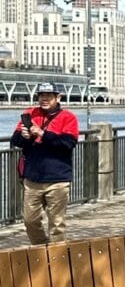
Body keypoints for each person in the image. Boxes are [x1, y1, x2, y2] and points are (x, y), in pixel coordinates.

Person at [11, 82, 79, 245]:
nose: (44, 99)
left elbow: (68, 143)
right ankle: (42, 249)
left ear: (58, 98)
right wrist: (25, 137)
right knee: (30, 220)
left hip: (58, 179)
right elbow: (15, 140)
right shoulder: (29, 114)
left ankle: (56, 257)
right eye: (41, 95)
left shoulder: (68, 117)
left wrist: (42, 133)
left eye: (49, 96)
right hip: (32, 179)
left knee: (57, 224)